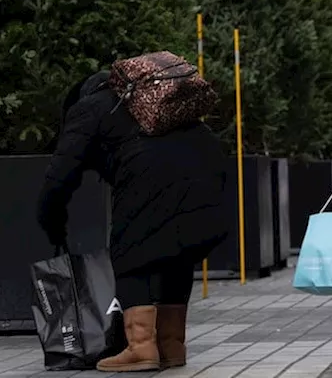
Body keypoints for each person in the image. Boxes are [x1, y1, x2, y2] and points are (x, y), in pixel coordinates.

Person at [37, 71, 229, 373]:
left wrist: (49, 217)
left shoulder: (88, 109)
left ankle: (141, 349)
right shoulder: (146, 100)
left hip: (154, 180)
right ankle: (171, 345)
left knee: (130, 255)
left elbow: (61, 172)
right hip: (208, 173)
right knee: (176, 255)